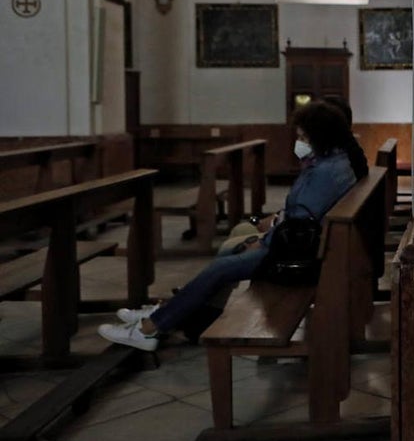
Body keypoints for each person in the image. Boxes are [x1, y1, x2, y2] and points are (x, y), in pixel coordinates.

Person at [98, 101, 359, 351]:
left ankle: (148, 329)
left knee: (222, 267)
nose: (299, 142)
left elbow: (299, 224)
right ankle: (177, 315)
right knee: (226, 258)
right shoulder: (331, 163)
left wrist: (263, 240)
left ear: (320, 136)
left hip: (296, 258)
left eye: (303, 137)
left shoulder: (323, 173)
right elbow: (300, 217)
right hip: (303, 248)